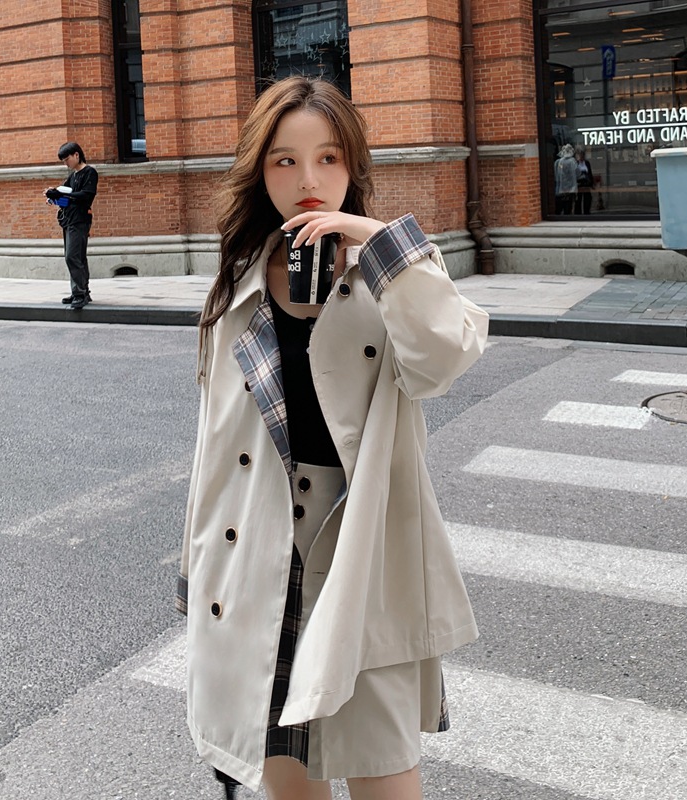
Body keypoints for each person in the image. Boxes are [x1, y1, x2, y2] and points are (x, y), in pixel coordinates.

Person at [176, 76, 489, 800]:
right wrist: (197, 579)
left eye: (328, 159)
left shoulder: (396, 274)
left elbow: (445, 359)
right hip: (256, 554)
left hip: (361, 551)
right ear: (260, 172)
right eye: (284, 161)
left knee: (384, 771)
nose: (308, 182)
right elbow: (212, 446)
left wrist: (377, 242)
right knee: (288, 780)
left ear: (353, 165)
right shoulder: (238, 284)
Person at [43, 142, 98, 309]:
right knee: (78, 257)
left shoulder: (89, 172)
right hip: (69, 220)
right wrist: (53, 195)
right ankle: (81, 292)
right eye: (63, 161)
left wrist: (63, 194)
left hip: (80, 220)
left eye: (67, 159)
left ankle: (80, 294)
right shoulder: (73, 176)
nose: (65, 163)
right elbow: (63, 192)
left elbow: (86, 195)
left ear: (76, 155)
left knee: (72, 256)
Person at [554, 143, 579, 215]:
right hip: (571, 188)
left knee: (562, 205)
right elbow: (578, 173)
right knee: (569, 206)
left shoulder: (559, 162)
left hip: (561, 188)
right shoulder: (572, 161)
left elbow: (557, 175)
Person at [573, 146, 594, 215]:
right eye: (580, 154)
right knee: (578, 199)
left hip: (586, 184)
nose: (582, 156)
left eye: (583, 154)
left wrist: (591, 183)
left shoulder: (587, 163)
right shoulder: (576, 163)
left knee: (587, 198)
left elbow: (590, 173)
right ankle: (578, 213)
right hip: (579, 184)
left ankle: (586, 212)